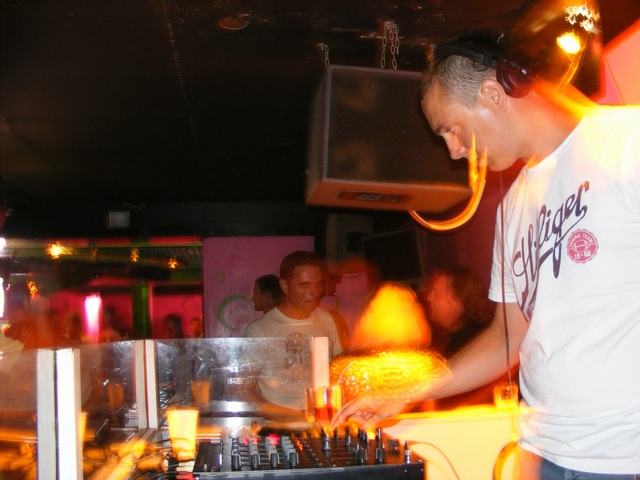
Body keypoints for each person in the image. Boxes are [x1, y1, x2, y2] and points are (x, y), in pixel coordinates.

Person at [333, 29, 640, 478]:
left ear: (494, 94)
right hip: (542, 452)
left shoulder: (627, 143)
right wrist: (408, 392)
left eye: (451, 129)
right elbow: (505, 338)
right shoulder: (513, 205)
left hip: (623, 457)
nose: (455, 151)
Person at [243, 251, 343, 417]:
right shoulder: (260, 330)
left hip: (322, 420)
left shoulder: (326, 319)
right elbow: (245, 390)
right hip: (280, 425)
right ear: (284, 286)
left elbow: (338, 372)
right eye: (304, 285)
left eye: (318, 284)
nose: (314, 292)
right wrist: (289, 415)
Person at [422, 265, 492, 357]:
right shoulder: (457, 336)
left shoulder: (467, 345)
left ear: (458, 303)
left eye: (437, 294)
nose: (429, 298)